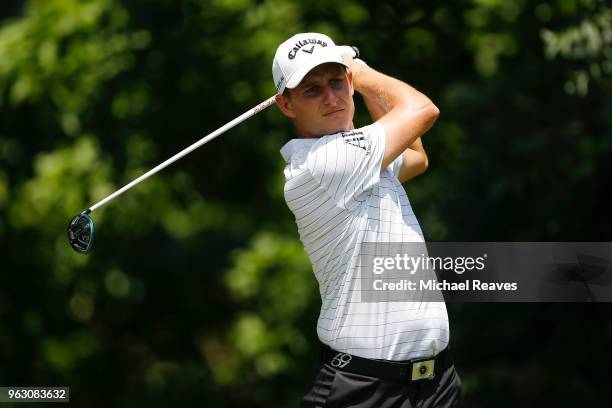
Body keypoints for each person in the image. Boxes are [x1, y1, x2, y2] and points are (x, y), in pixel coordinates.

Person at [273, 32, 461, 408]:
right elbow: (423, 110)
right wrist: (358, 68)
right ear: (286, 106)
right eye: (311, 90)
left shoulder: (363, 154)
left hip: (434, 384)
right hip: (365, 388)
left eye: (336, 81)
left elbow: (416, 156)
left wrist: (357, 78)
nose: (331, 97)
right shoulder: (325, 163)